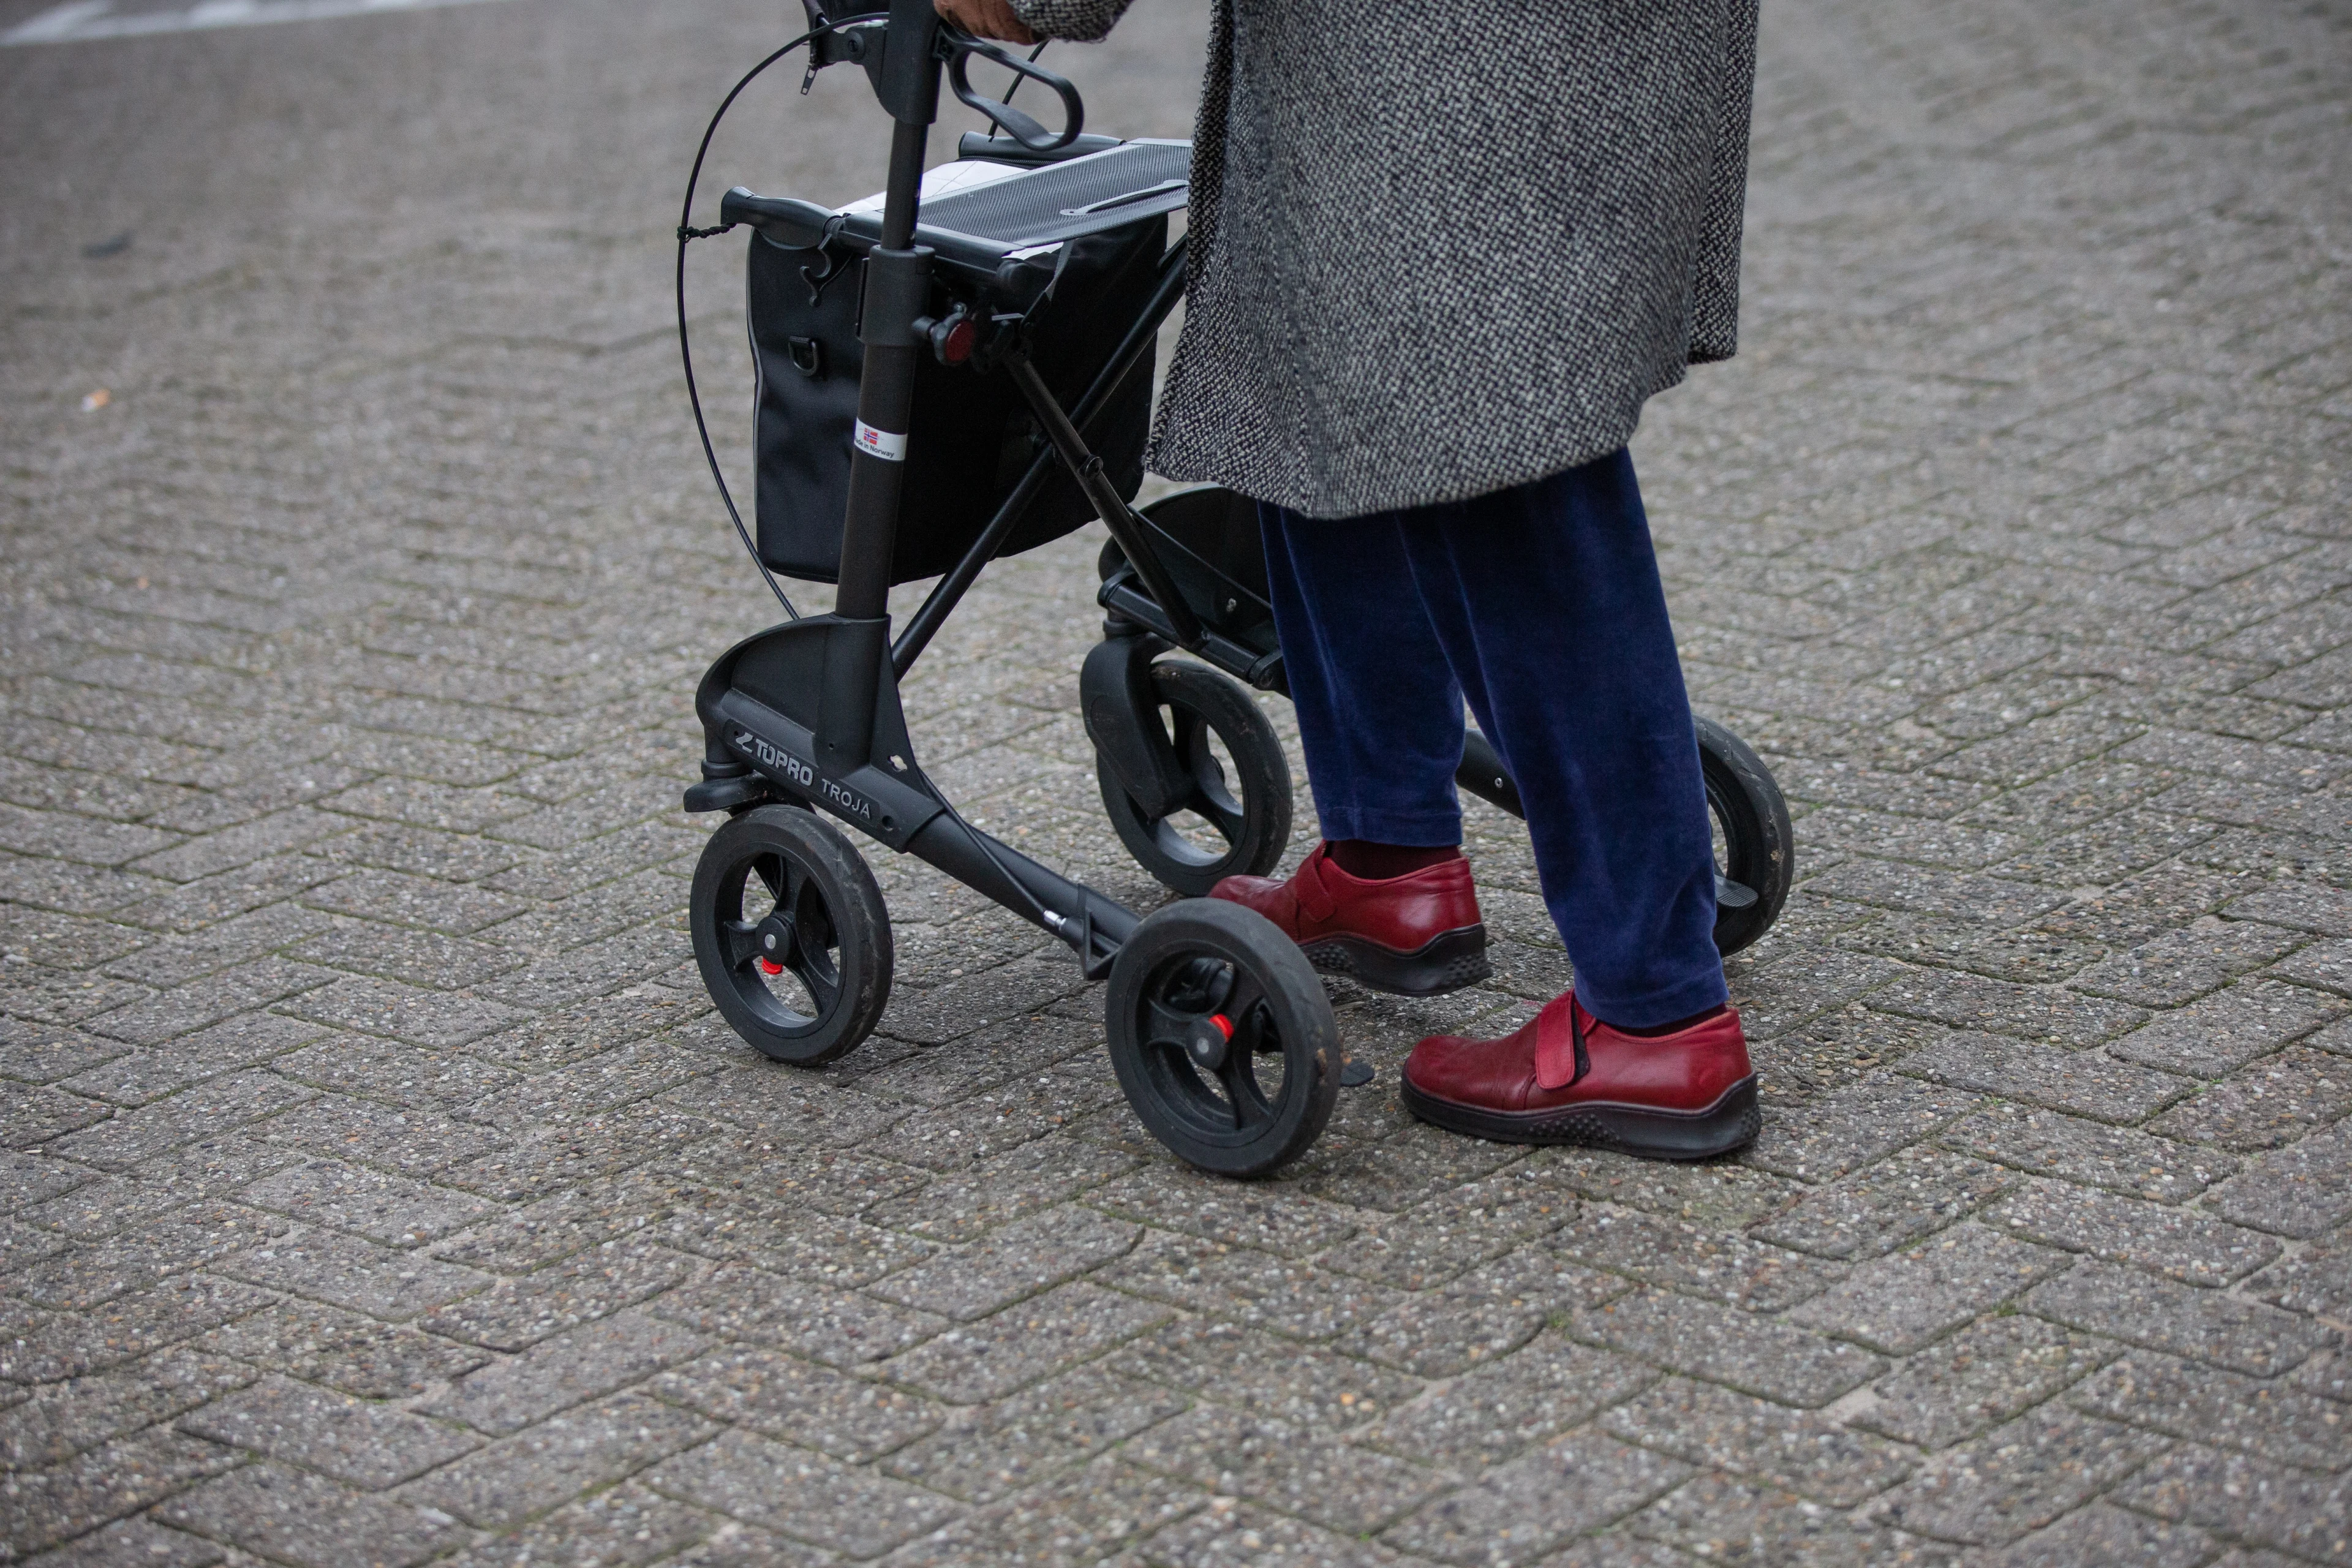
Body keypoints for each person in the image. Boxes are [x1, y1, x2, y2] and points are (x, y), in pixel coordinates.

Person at [938, 0, 1763, 1159]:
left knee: (1510, 454)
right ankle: (1387, 860)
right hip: (1493, 48)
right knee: (1320, 371)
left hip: (1458, 54)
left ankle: (1655, 1014)